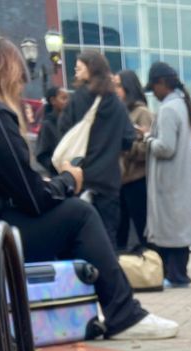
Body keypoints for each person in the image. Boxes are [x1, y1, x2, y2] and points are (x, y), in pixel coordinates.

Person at [0, 33, 177, 340]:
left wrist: (46, 185)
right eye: (20, 81)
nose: (21, 91)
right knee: (77, 214)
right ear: (5, 73)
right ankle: (124, 315)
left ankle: (69, 308)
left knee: (59, 216)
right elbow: (34, 199)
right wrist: (69, 180)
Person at [58, 50, 135, 249]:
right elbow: (128, 139)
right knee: (108, 234)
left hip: (79, 177)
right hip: (108, 180)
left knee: (78, 233)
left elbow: (63, 131)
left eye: (79, 66)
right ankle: (107, 276)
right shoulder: (117, 104)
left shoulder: (77, 99)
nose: (76, 69)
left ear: (91, 69)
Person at [143, 61, 191, 288]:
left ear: (162, 83)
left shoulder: (168, 109)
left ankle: (174, 275)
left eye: (154, 87)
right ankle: (179, 274)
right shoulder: (183, 106)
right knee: (180, 230)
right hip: (181, 178)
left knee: (169, 230)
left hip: (169, 180)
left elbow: (166, 148)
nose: (153, 93)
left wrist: (147, 138)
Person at [115, 69, 152, 252]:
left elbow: (147, 148)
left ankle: (152, 268)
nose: (115, 90)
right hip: (122, 180)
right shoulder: (122, 112)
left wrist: (127, 146)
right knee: (119, 230)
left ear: (128, 88)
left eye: (118, 86)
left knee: (142, 227)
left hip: (137, 180)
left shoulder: (142, 112)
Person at [35, 85, 68, 176]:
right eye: (63, 98)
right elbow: (41, 155)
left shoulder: (71, 122)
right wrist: (57, 167)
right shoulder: (47, 125)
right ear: (53, 100)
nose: (67, 102)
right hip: (59, 176)